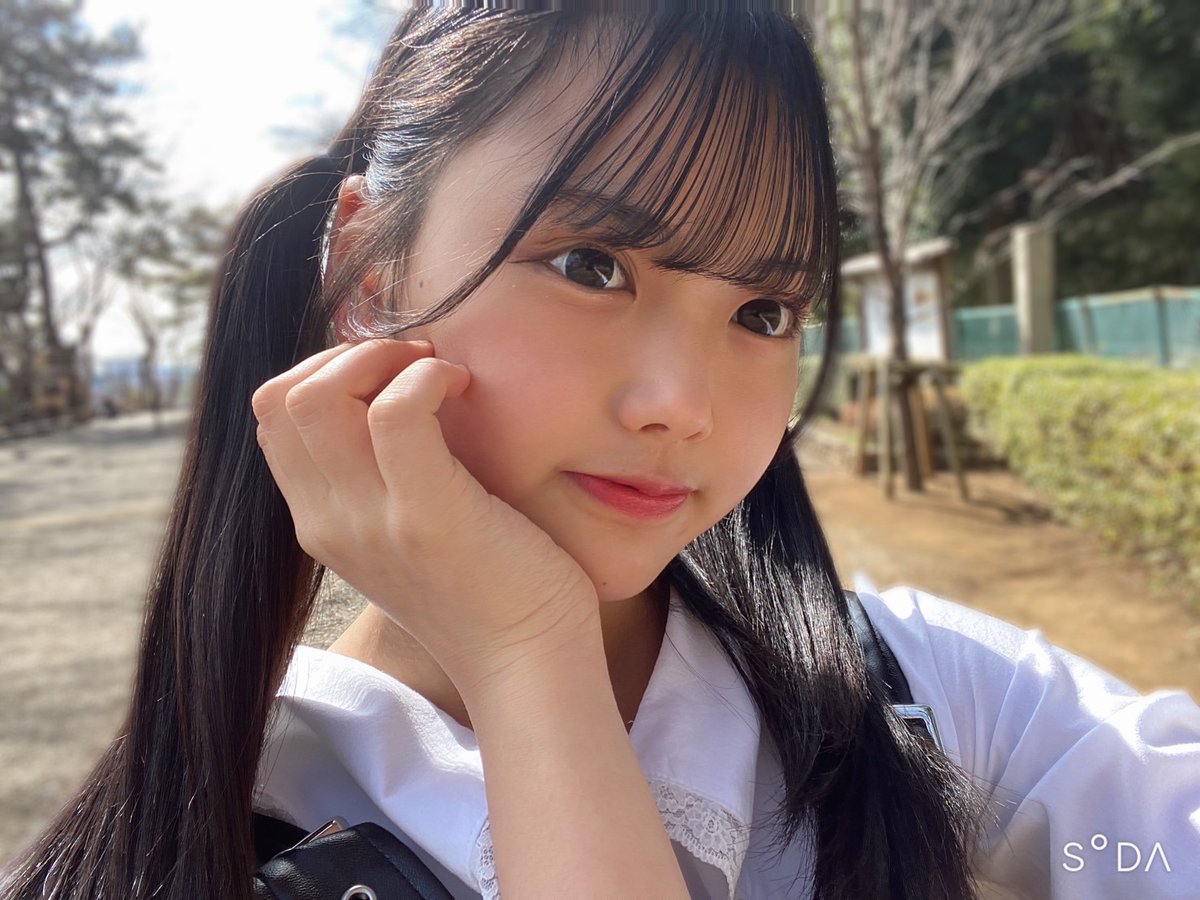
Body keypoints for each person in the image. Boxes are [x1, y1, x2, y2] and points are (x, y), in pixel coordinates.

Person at [4, 5, 1198, 899]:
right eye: (592, 266)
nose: (682, 405)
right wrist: (530, 657)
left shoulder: (907, 697)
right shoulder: (225, 826)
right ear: (368, 273)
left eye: (764, 311)